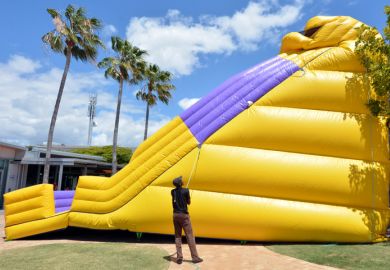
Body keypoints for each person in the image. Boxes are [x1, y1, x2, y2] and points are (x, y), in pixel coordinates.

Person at [171, 176, 203, 264]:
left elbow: (176, 199)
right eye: (181, 181)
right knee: (189, 236)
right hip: (184, 216)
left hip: (175, 215)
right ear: (181, 183)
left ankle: (179, 257)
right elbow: (188, 202)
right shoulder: (186, 191)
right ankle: (195, 257)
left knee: (178, 236)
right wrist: (187, 195)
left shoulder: (172, 191)